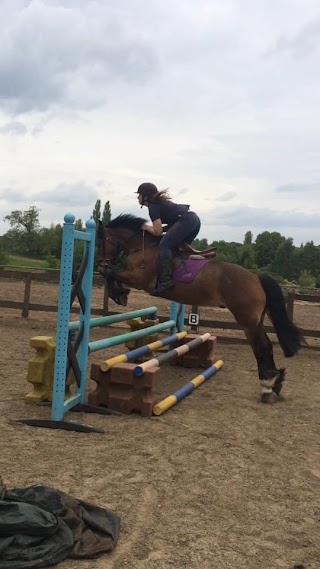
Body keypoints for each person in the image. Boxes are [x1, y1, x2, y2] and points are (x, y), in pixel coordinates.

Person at [136, 182, 201, 296]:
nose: (138, 197)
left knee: (164, 245)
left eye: (139, 194)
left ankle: (165, 281)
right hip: (193, 220)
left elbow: (157, 231)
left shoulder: (153, 207)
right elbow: (164, 228)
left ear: (145, 196)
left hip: (187, 220)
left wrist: (145, 227)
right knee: (177, 249)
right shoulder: (158, 204)